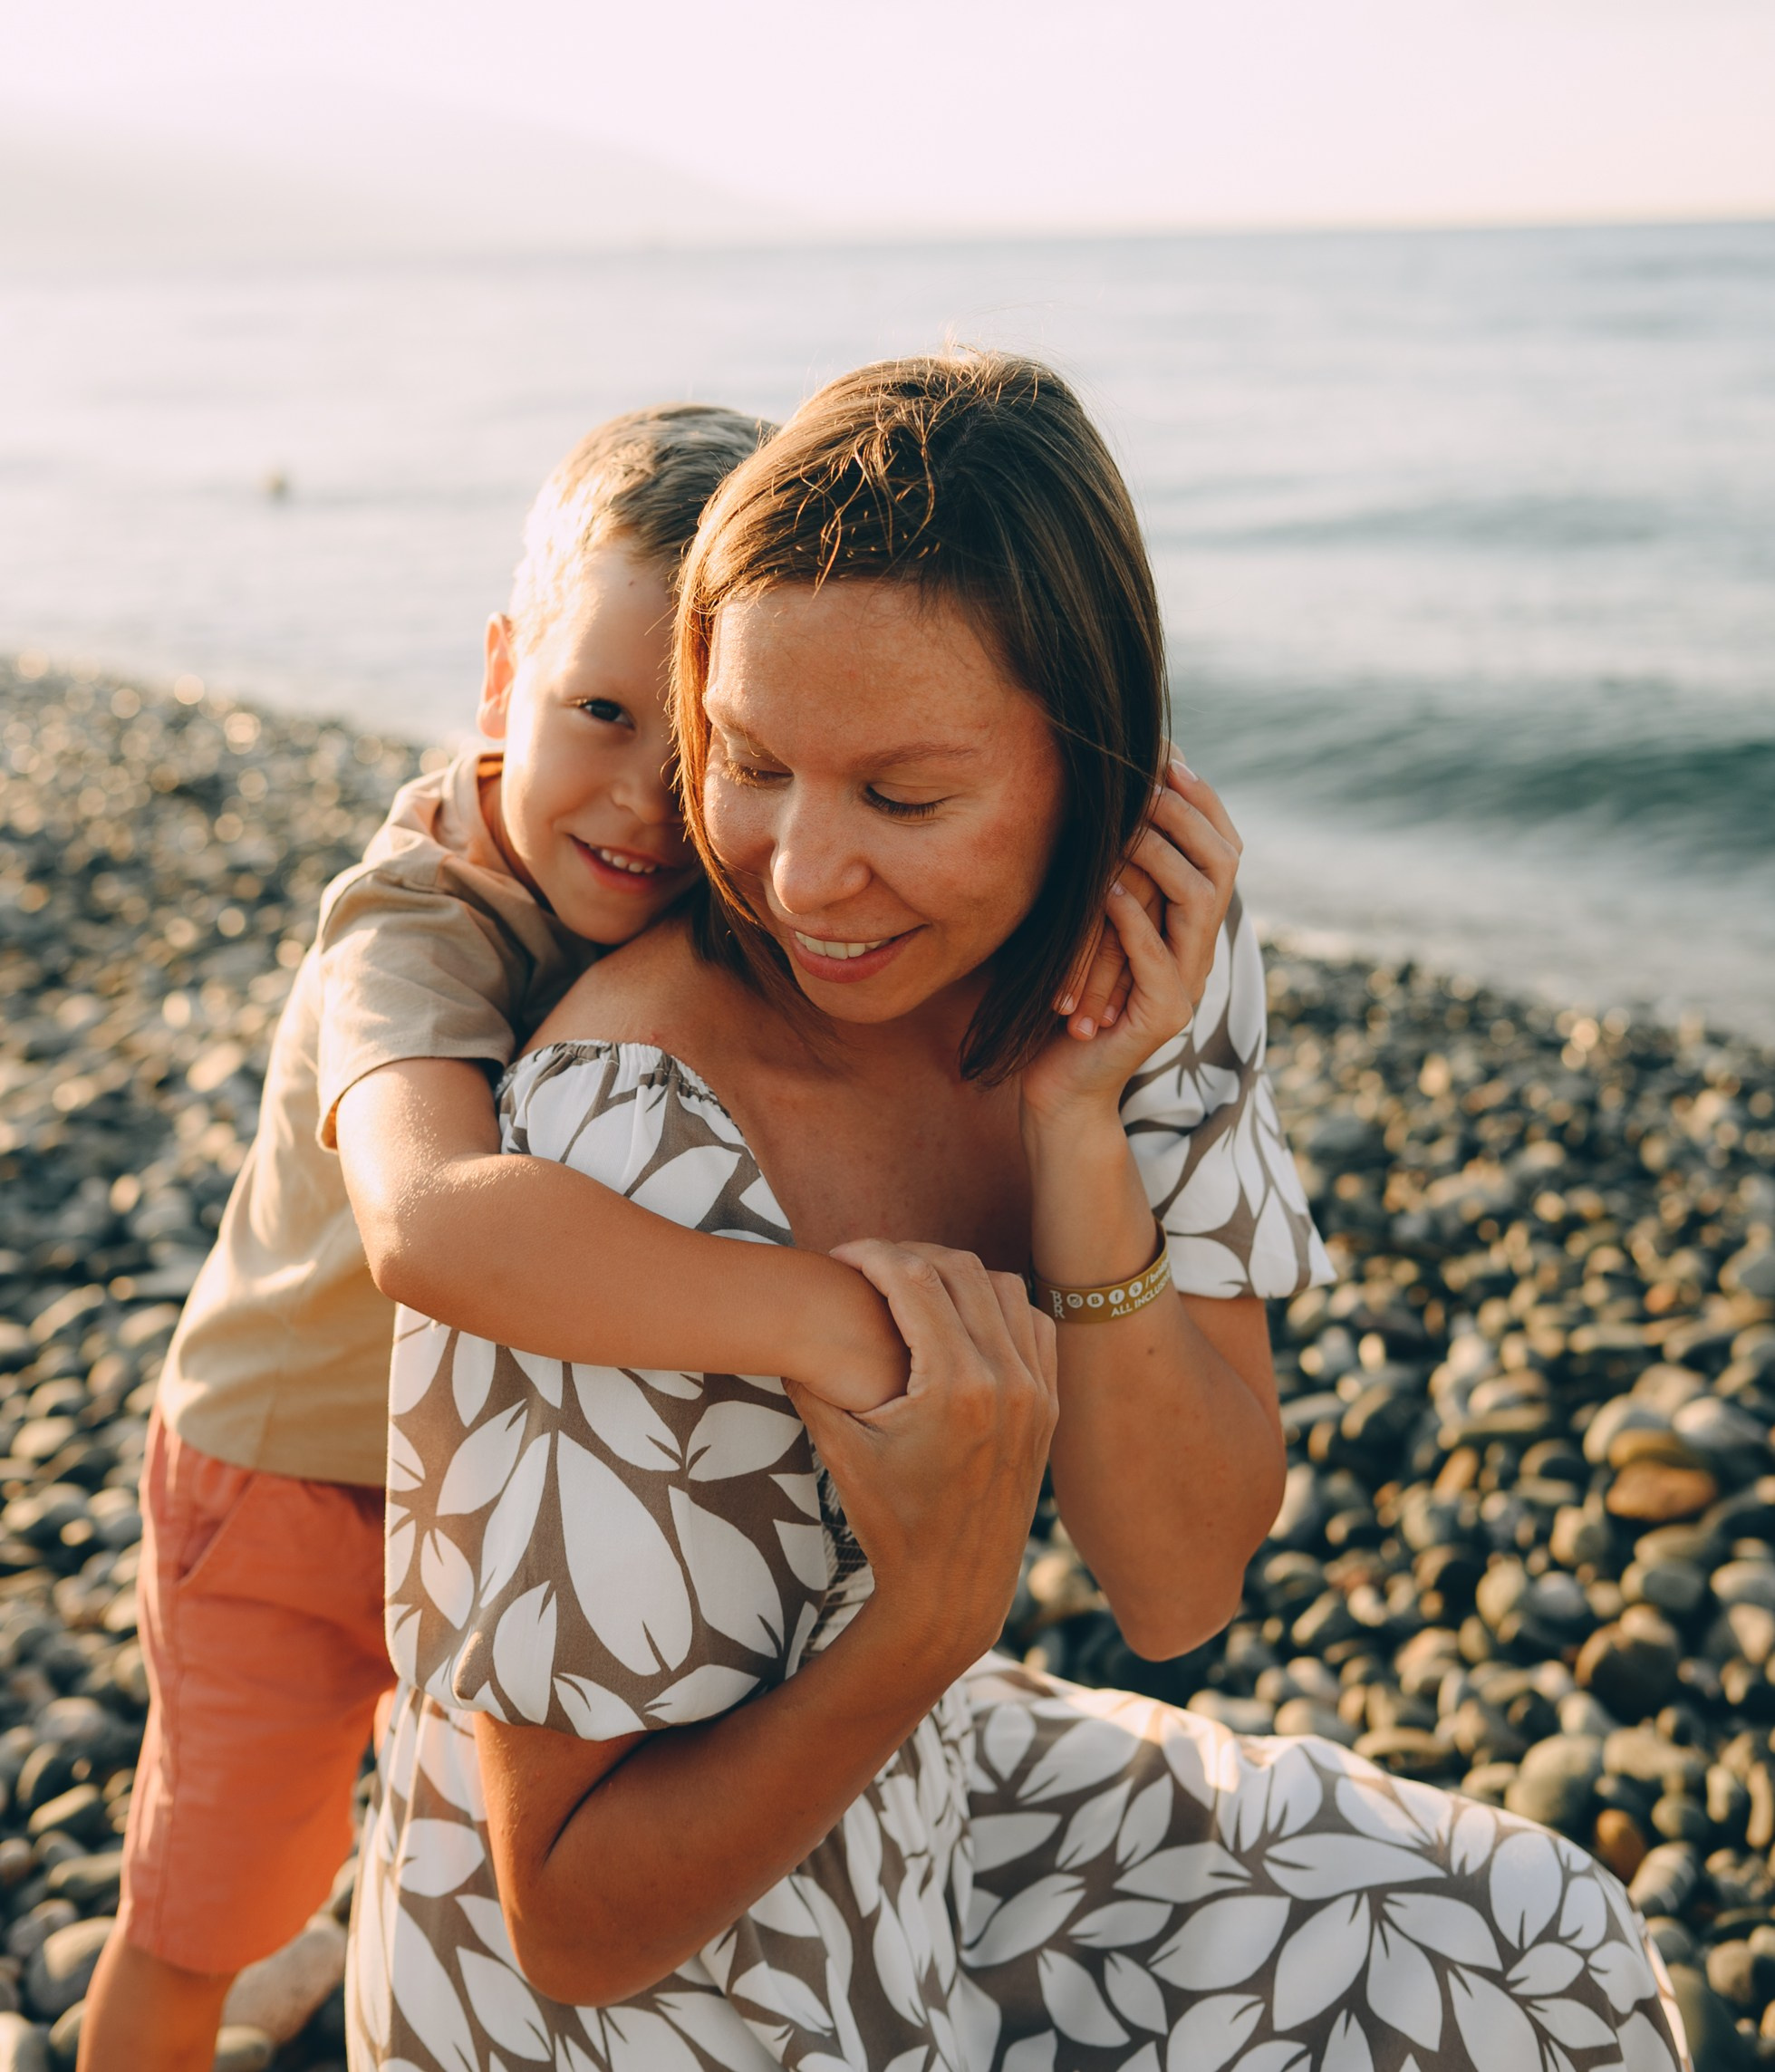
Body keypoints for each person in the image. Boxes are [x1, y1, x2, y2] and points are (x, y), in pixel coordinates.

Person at [349, 352, 1691, 2071]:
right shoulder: (611, 1154)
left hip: (926, 1787)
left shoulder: (1148, 960)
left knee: (1544, 1954)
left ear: (1094, 767)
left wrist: (1078, 1123)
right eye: (744, 762)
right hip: (624, 1984)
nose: (802, 877)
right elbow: (577, 1917)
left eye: (906, 798)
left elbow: (1182, 1573)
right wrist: (926, 1618)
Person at [86, 403, 1013, 2072]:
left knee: (449, 1809)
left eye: (704, 753)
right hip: (296, 1493)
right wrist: (817, 1319)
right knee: (208, 1902)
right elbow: (432, 1225)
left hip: (484, 1498)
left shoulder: (697, 907)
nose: (648, 809)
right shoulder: (415, 915)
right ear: (502, 670)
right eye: (597, 713)